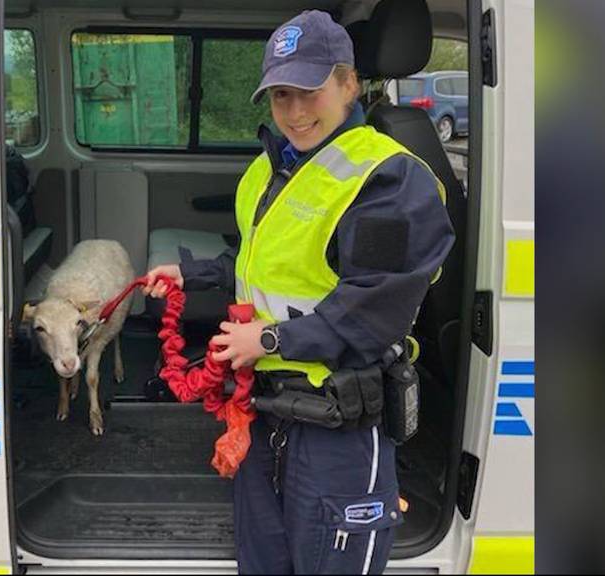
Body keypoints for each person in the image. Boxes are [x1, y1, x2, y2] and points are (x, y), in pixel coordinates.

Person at [143, 10, 455, 575]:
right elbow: (267, 265)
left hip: (338, 426)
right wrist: (196, 274)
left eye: (310, 91)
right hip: (265, 411)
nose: (294, 111)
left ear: (348, 83)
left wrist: (265, 338)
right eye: (281, 95)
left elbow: (374, 312)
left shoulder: (388, 179)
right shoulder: (271, 168)